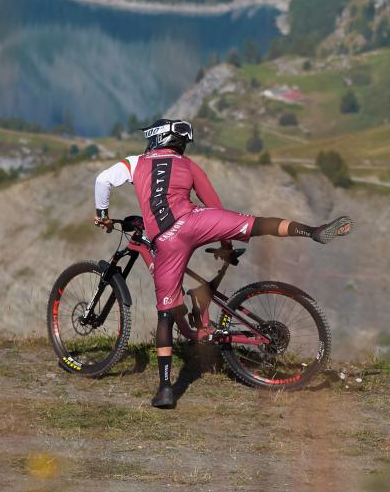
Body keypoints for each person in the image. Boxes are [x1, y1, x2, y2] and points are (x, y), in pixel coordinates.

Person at [93, 119, 352, 409]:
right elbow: (214, 206)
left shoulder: (136, 162)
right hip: (198, 220)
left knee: (165, 313)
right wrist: (226, 246)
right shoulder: (189, 165)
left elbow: (102, 180)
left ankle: (166, 389)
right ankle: (313, 231)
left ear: (154, 138)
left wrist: (103, 215)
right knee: (257, 224)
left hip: (168, 239)